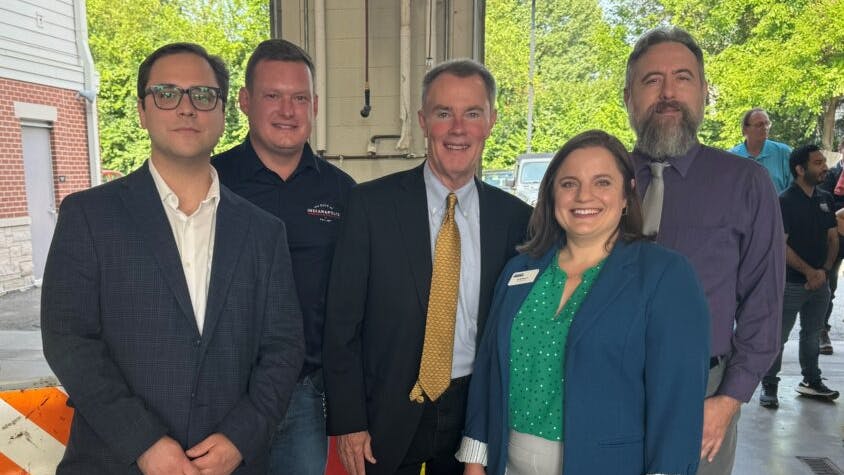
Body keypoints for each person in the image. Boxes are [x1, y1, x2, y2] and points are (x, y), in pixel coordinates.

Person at [40, 43, 304, 474]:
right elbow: (69, 341)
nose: (186, 108)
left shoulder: (263, 231)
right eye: (167, 93)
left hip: (227, 464)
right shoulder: (88, 216)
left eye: (203, 95)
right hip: (116, 461)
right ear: (143, 111)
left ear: (223, 112)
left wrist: (241, 437)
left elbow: (284, 348)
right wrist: (143, 442)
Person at [322, 59, 532, 475]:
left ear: (491, 121)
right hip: (387, 410)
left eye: (472, 113)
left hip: (476, 409)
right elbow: (341, 324)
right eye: (443, 113)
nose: (458, 128)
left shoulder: (518, 219)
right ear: (423, 121)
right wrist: (348, 422)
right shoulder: (370, 207)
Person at [456, 130, 710, 475]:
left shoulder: (665, 276)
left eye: (602, 182)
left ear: (627, 193)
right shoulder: (520, 270)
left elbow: (677, 405)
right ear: (551, 194)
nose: (583, 196)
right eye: (569, 183)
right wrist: (474, 460)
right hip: (508, 462)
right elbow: (489, 369)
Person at [624, 27, 785, 475]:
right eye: (652, 80)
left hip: (703, 389)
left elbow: (764, 304)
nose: (668, 93)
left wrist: (729, 400)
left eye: (683, 78)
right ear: (628, 96)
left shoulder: (745, 183)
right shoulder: (601, 179)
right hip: (605, 378)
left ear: (704, 93)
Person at [212, 39, 355, 475]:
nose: (287, 111)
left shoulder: (342, 192)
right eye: (273, 96)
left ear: (314, 106)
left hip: (303, 397)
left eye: (299, 98)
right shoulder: (211, 181)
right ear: (245, 102)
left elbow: (352, 300)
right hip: (221, 396)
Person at [760, 144, 840, 408]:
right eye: (818, 163)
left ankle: (811, 381)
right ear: (800, 169)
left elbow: (832, 238)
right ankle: (769, 385)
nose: (825, 167)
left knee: (812, 333)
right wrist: (809, 272)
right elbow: (780, 246)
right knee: (779, 337)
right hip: (790, 284)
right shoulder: (784, 201)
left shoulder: (825, 198)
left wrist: (825, 272)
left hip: (820, 283)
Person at [816, 141, 844, 355]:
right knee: (829, 285)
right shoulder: (830, 175)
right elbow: (824, 207)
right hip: (837, 238)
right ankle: (822, 330)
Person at [729, 108, 793, 193]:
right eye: (759, 125)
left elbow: (794, 188)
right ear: (745, 129)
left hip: (779, 206)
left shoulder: (783, 152)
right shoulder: (732, 157)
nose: (765, 128)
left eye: (767, 123)